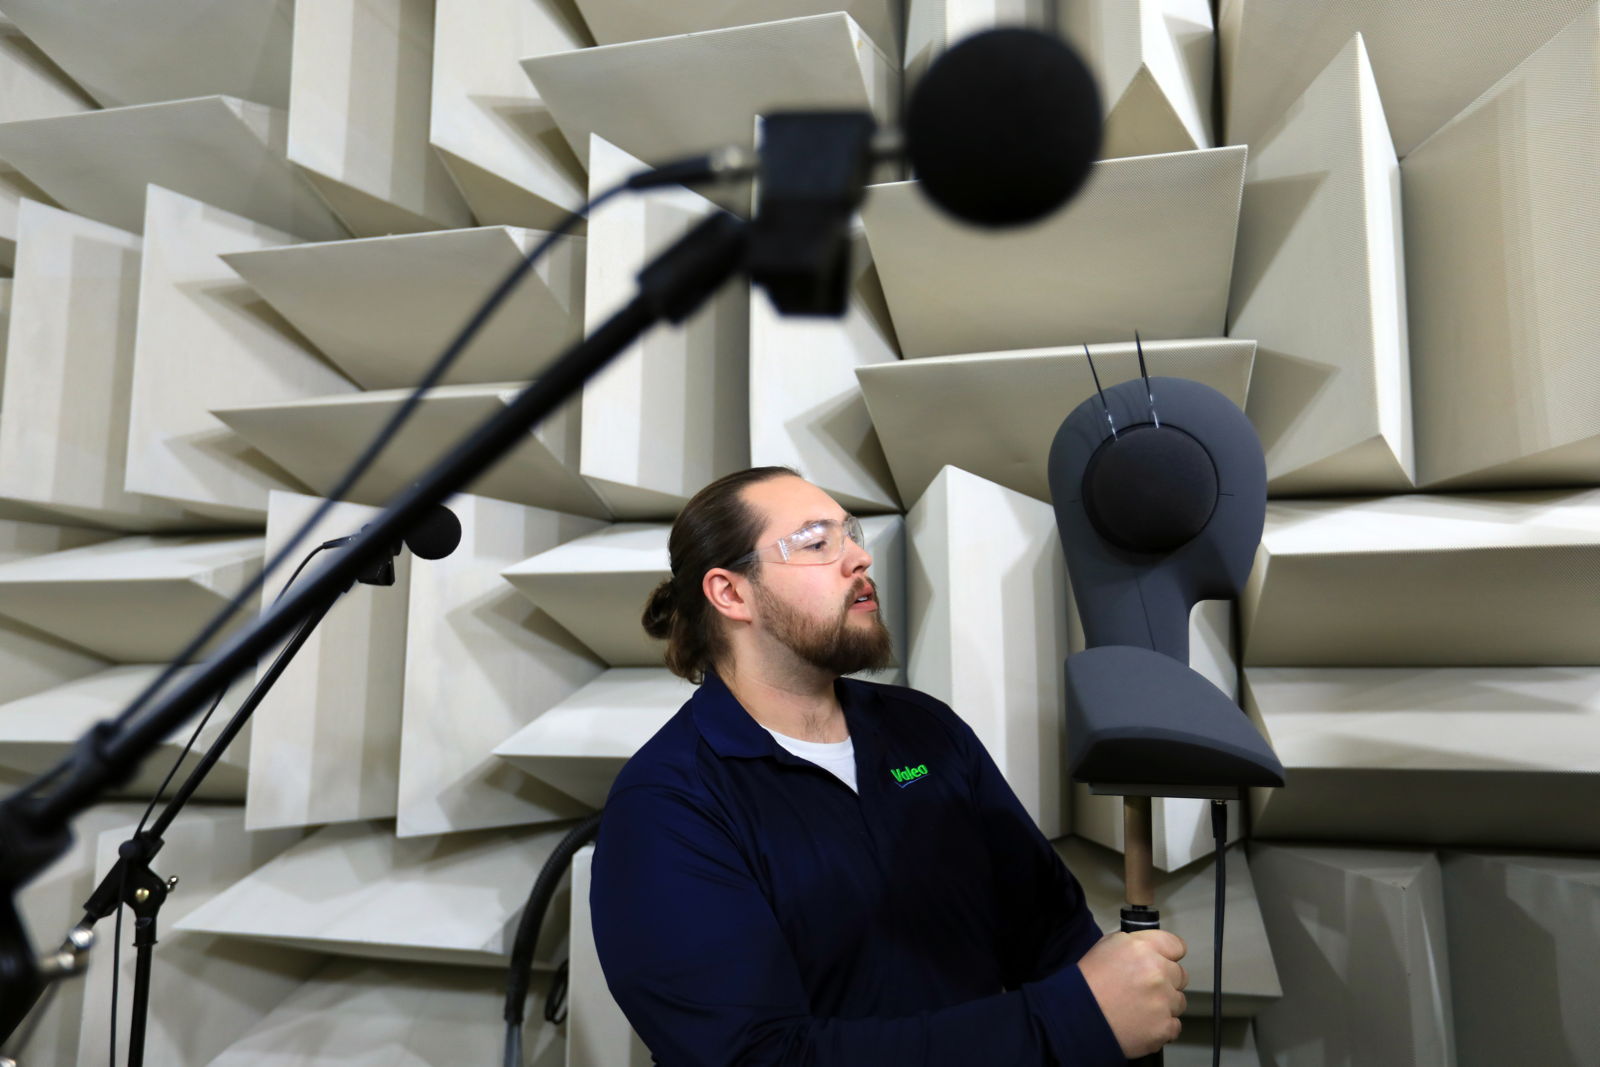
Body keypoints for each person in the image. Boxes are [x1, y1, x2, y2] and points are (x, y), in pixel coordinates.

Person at [590, 466, 1187, 1065]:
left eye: (851, 536)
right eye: (817, 543)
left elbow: (1051, 933)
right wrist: (1069, 1023)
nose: (859, 559)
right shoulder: (667, 805)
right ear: (731, 594)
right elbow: (755, 1057)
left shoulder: (926, 732)